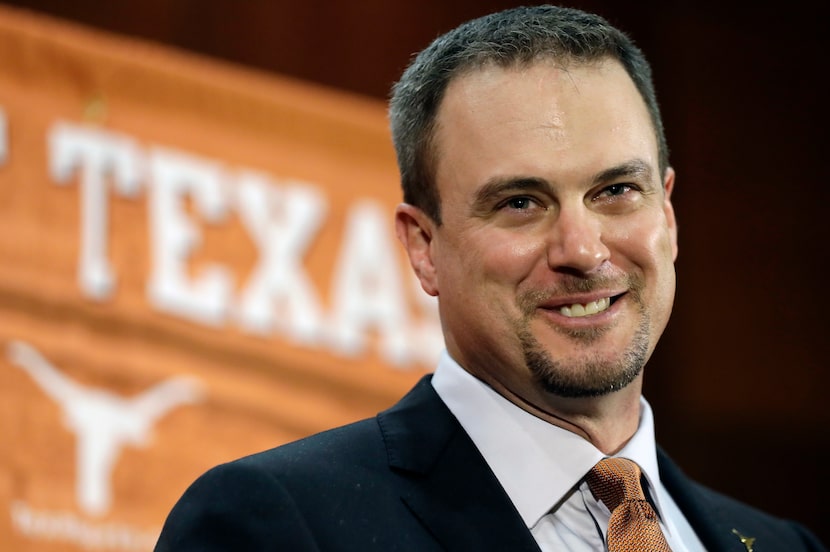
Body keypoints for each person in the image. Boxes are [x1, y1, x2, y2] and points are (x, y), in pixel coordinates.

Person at [154, 5, 826, 551]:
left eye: (617, 190)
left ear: (669, 216)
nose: (583, 250)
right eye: (520, 203)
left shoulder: (785, 546)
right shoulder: (276, 525)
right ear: (423, 248)